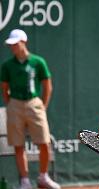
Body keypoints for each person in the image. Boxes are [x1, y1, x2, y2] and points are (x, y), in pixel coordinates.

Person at [0, 29, 60, 189]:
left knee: (44, 143)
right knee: (18, 145)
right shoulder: (7, 66)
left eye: (15, 43)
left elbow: (47, 85)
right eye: (10, 45)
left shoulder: (38, 62)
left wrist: (42, 105)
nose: (12, 47)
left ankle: (43, 177)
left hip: (34, 104)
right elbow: (4, 88)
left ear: (23, 42)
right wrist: (11, 104)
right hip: (15, 105)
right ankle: (25, 182)